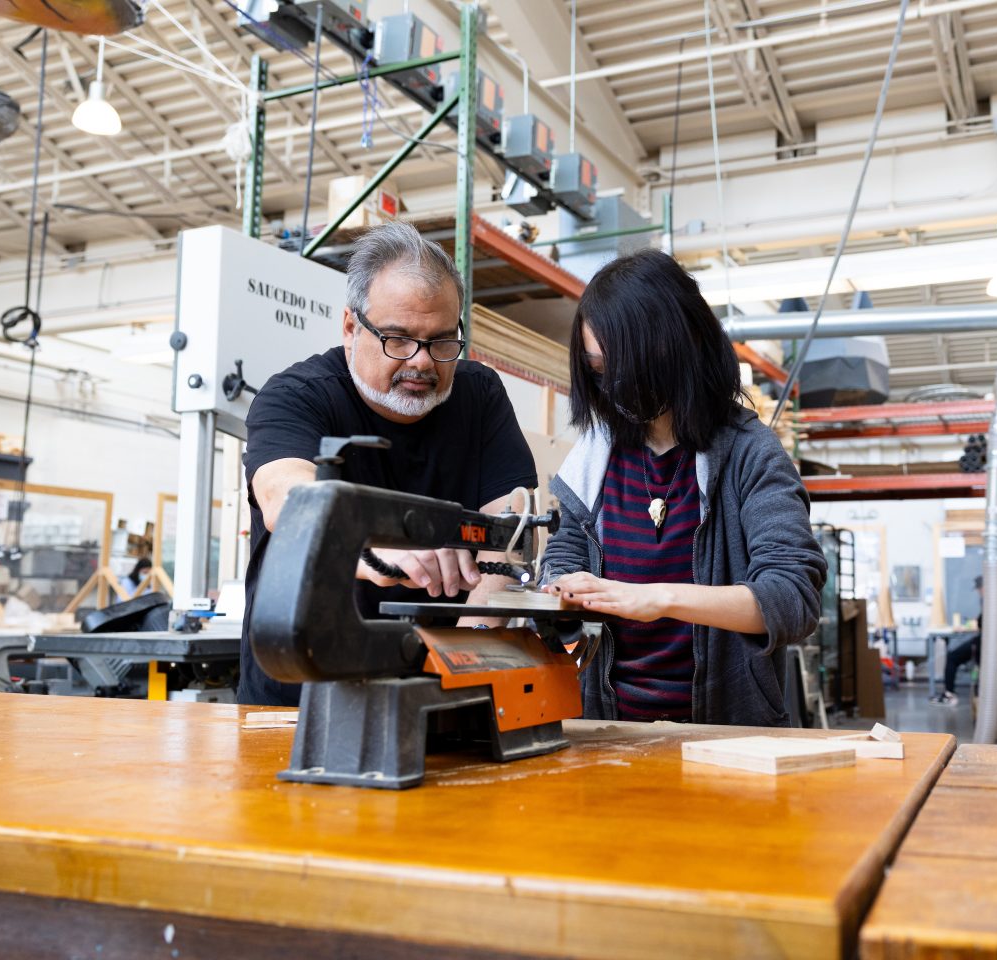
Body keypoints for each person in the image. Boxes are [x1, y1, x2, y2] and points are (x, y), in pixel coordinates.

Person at [239, 221, 538, 706]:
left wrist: (466, 653)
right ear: (351, 327)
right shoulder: (295, 397)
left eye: (442, 342)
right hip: (297, 697)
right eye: (398, 339)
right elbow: (285, 498)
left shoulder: (479, 396)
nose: (421, 362)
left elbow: (514, 530)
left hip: (444, 687)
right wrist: (382, 547)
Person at [541, 249, 826, 726]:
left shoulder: (749, 455)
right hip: (607, 732)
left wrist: (661, 598)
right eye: (597, 369)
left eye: (624, 366)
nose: (611, 386)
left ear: (681, 345)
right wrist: (562, 592)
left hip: (726, 742)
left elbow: (792, 598)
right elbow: (567, 548)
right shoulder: (596, 454)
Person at [930, 575, 983, 706]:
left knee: (952, 657)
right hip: (981, 640)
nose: (978, 592)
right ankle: (949, 691)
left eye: (979, 589)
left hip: (982, 643)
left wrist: (973, 625)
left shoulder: (992, 600)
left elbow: (982, 622)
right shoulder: (990, 601)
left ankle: (949, 693)